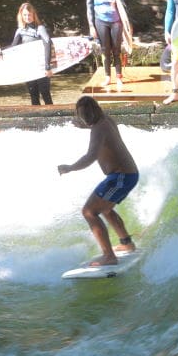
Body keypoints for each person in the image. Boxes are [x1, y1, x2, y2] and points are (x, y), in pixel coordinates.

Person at [57, 96, 140, 267]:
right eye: (81, 115)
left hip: (121, 176)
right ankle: (127, 244)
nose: (84, 118)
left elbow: (90, 157)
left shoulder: (98, 129)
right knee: (106, 209)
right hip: (127, 174)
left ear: (93, 111)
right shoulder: (106, 120)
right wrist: (84, 125)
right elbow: (100, 133)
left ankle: (109, 257)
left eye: (85, 115)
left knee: (89, 211)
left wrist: (70, 167)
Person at [3, 2, 54, 106]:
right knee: (33, 95)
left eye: (29, 14)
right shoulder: (20, 31)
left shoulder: (40, 28)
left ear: (33, 14)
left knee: (45, 94)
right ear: (21, 16)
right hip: (29, 68)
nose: (27, 17)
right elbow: (13, 47)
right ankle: (37, 121)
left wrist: (47, 67)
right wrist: (0, 50)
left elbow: (48, 44)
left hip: (41, 67)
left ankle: (54, 118)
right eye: (25, 15)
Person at [86, 0, 127, 88]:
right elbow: (89, 8)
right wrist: (91, 26)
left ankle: (119, 76)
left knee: (116, 50)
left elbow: (123, 5)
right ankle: (108, 77)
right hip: (101, 21)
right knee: (105, 50)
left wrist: (117, 5)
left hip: (116, 21)